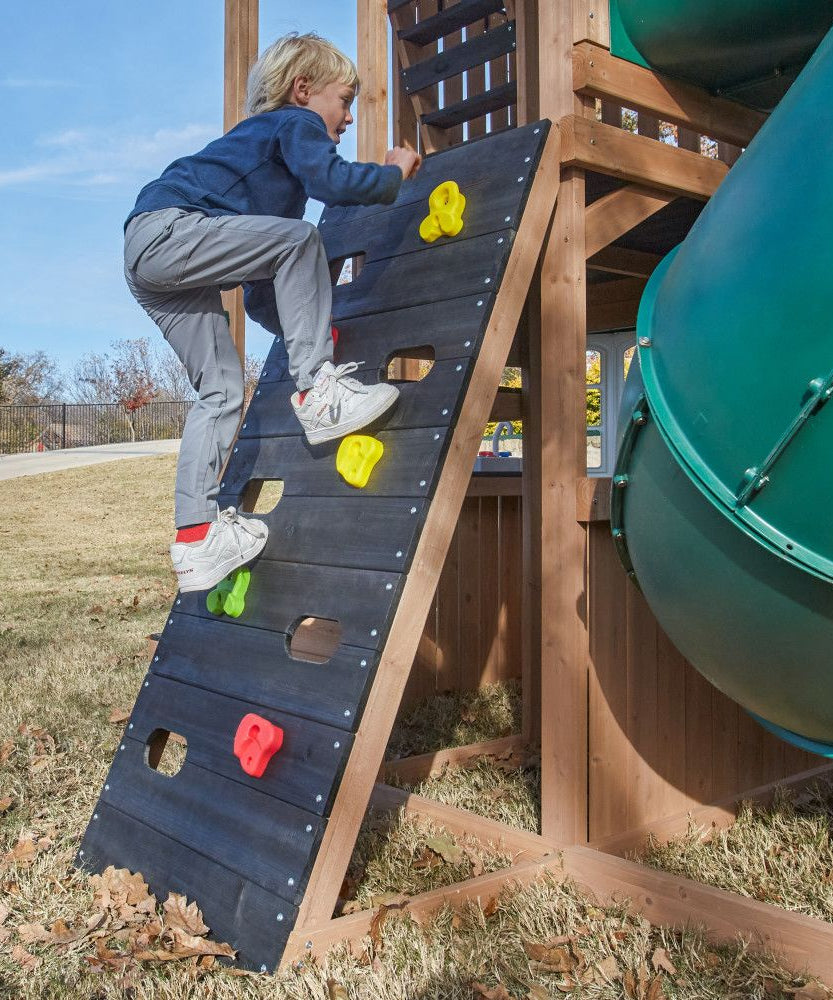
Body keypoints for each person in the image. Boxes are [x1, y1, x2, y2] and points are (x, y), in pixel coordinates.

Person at [122, 32, 420, 594]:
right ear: (303, 90)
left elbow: (263, 295)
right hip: (172, 230)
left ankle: (196, 540)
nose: (349, 118)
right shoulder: (293, 123)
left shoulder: (263, 171)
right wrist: (393, 174)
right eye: (345, 100)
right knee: (300, 240)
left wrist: (315, 330)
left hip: (149, 255)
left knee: (221, 390)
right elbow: (332, 181)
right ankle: (320, 395)